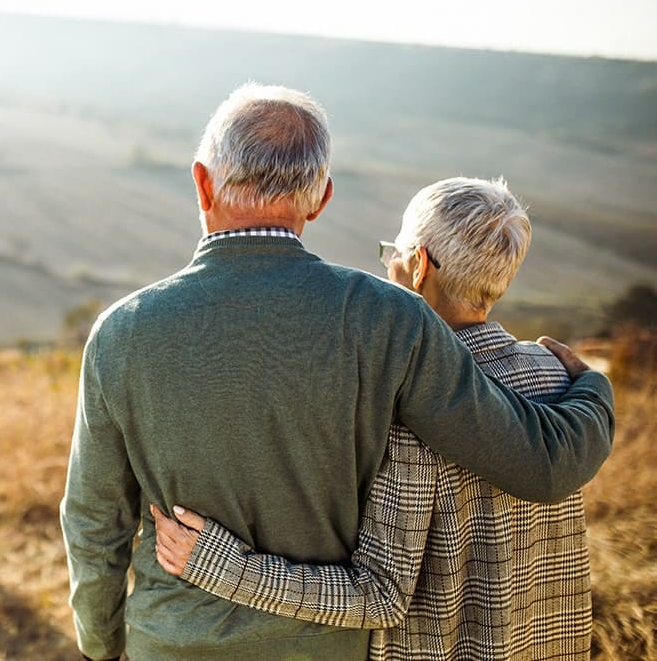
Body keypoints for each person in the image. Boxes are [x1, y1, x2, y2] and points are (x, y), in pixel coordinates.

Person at [59, 84, 615, 661]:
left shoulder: (121, 332)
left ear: (202, 182)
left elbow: (95, 520)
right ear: (320, 198)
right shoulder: (389, 318)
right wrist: (592, 386)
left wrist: (101, 644)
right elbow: (536, 462)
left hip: (171, 642)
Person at [152, 177, 594, 659]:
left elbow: (380, 596)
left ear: (419, 266)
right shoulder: (557, 376)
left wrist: (224, 567)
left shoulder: (406, 404)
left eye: (394, 254)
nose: (388, 268)